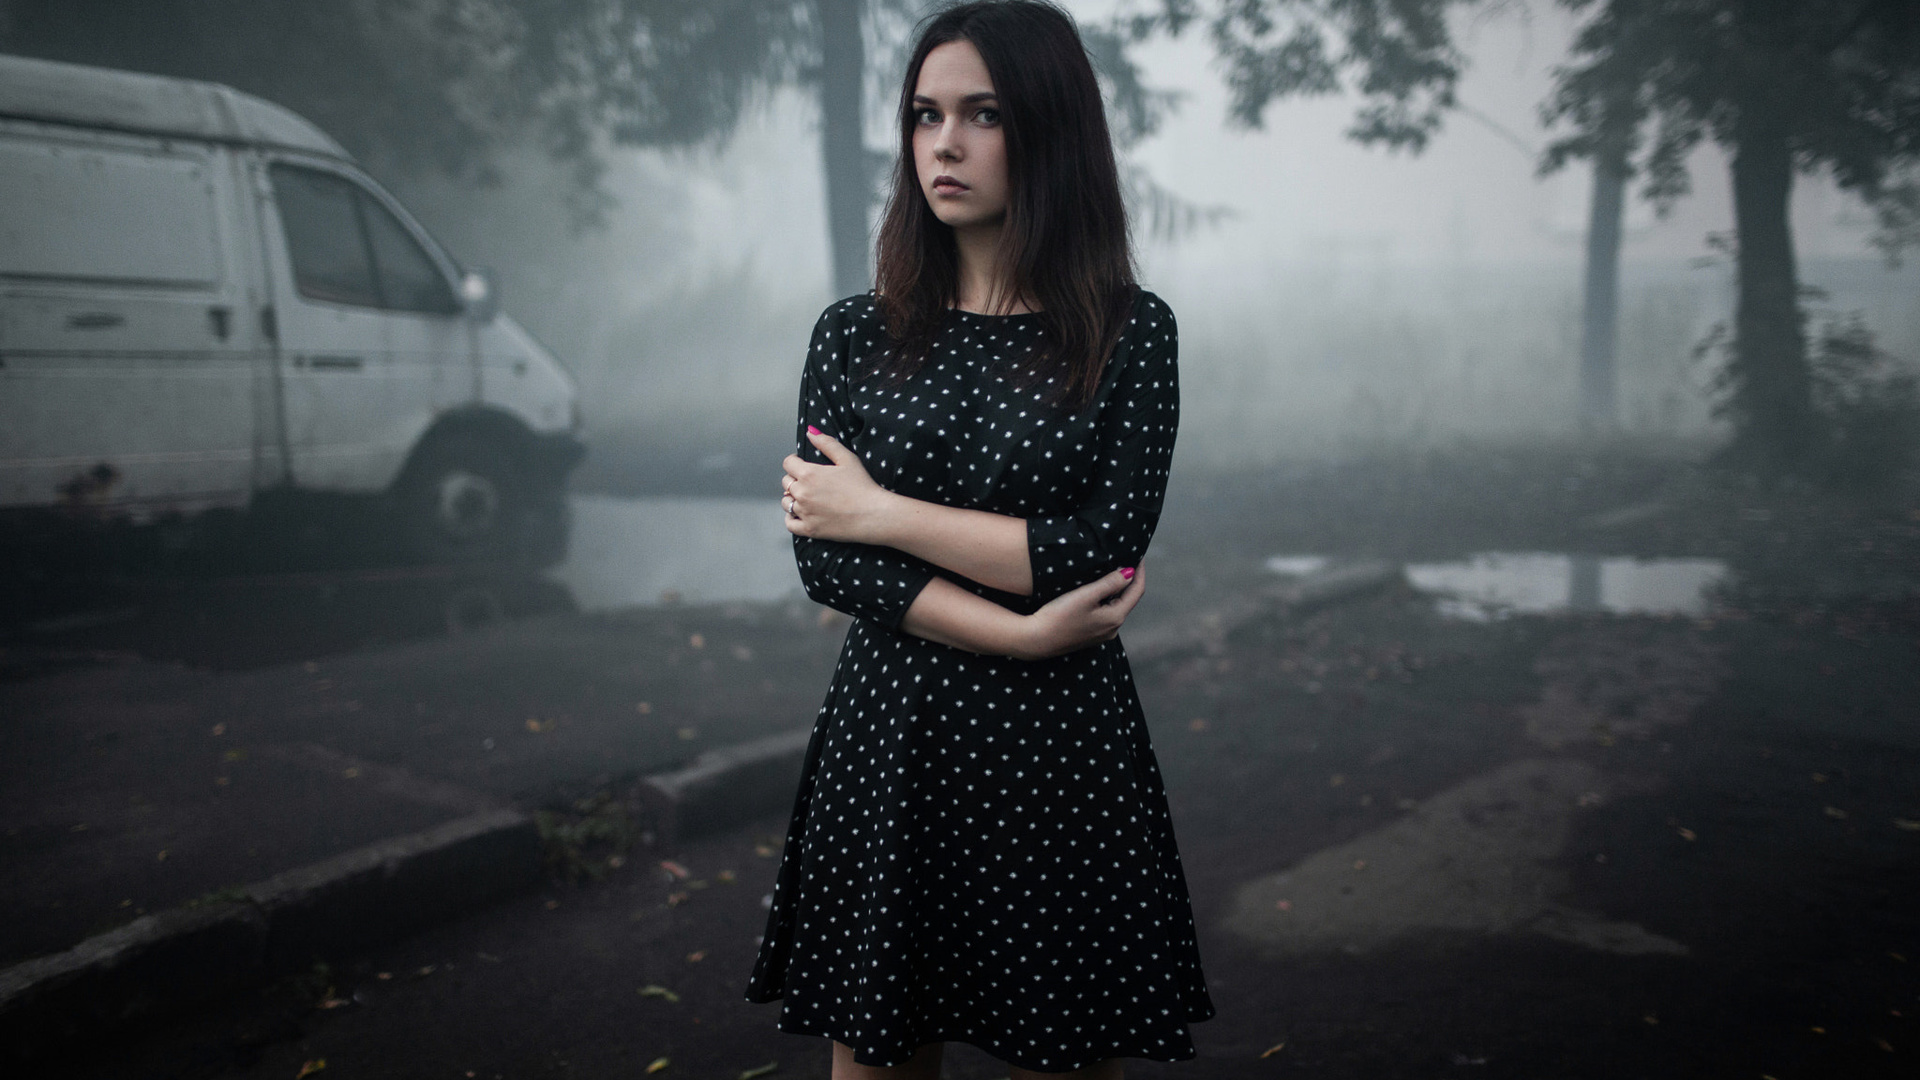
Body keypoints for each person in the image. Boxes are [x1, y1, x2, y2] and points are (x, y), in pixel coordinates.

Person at [746, 2, 1214, 1077]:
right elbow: (828, 557)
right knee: (879, 1050)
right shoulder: (855, 331)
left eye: (982, 114)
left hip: (1058, 755)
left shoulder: (1130, 333)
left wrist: (884, 513)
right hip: (894, 739)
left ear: (1048, 129)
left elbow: (1098, 551)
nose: (943, 144)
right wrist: (1015, 636)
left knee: (1065, 1049)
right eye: (923, 115)